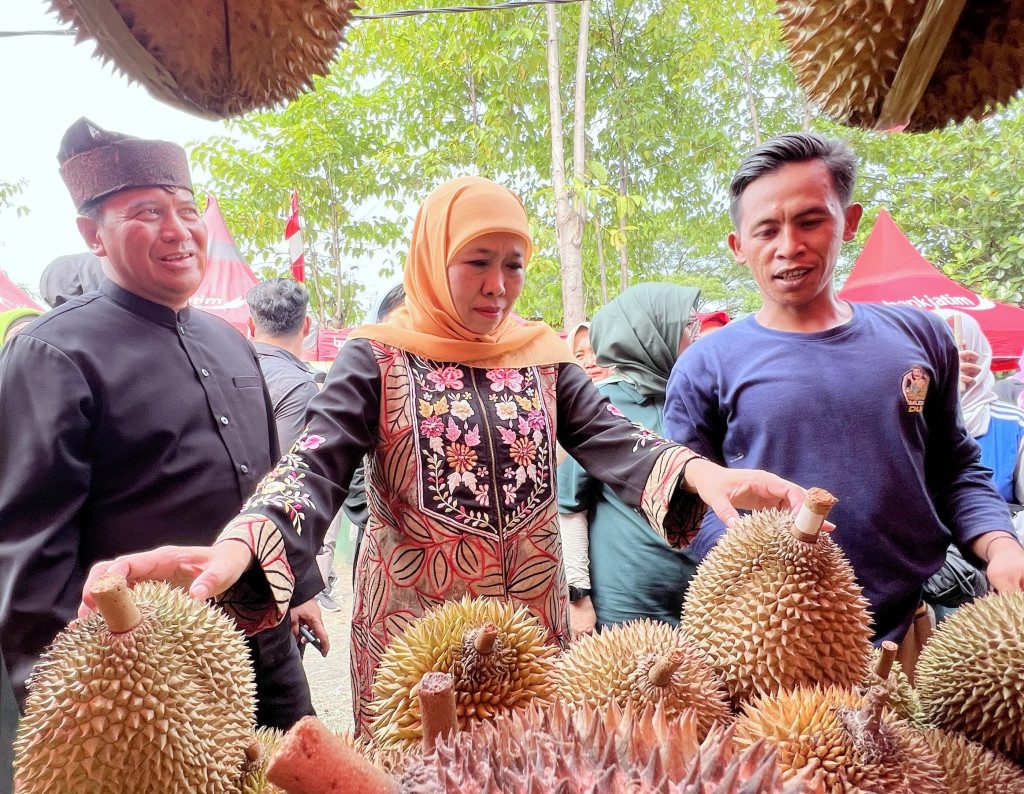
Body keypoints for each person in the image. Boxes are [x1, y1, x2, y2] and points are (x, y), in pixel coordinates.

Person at [79, 176, 810, 738]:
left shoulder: (542, 356)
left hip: (530, 624)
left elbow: (615, 438)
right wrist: (249, 539)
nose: (498, 286)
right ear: (434, 257)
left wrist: (700, 471)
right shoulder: (377, 356)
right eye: (477, 262)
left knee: (530, 763)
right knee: (418, 770)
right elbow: (315, 464)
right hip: (411, 636)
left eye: (515, 265)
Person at [0, 118, 316, 729]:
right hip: (144, 664)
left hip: (263, 637)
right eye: (146, 213)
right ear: (93, 234)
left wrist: (298, 589)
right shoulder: (52, 354)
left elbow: (266, 482)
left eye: (187, 209)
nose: (178, 231)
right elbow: (29, 553)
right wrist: (71, 708)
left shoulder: (232, 342)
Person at [664, 132, 1024, 665]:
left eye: (810, 221)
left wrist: (1000, 543)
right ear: (738, 247)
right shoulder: (707, 364)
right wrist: (764, 569)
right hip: (774, 642)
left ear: (849, 222)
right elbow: (685, 496)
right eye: (766, 229)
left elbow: (955, 466)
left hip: (917, 634)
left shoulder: (920, 337)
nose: (788, 246)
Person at [559, 283, 703, 637]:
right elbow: (568, 507)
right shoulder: (597, 406)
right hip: (626, 604)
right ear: (651, 334)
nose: (696, 338)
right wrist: (579, 598)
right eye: (687, 327)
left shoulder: (691, 400)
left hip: (699, 598)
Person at [247, 278, 338, 628]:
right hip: (271, 555)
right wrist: (301, 588)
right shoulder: (302, 387)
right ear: (307, 326)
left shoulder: (226, 371)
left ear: (252, 324)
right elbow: (286, 485)